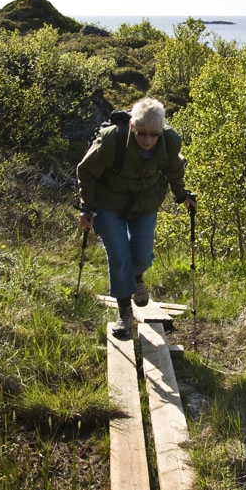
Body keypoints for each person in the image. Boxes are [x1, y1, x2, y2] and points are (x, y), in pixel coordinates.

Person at [77, 97, 196, 333]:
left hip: (145, 201)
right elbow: (86, 171)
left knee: (141, 255)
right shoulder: (112, 141)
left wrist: (182, 196)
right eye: (142, 133)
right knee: (120, 256)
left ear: (162, 131)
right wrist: (87, 208)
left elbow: (174, 169)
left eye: (154, 134)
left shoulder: (169, 143)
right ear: (132, 126)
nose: (148, 140)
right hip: (109, 202)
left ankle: (137, 280)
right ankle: (125, 314)